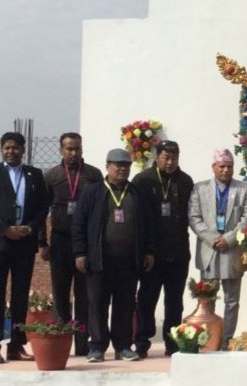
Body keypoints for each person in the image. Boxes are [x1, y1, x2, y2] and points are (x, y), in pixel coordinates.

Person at [72, 148, 155, 363]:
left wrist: (148, 252)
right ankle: (97, 346)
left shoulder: (136, 193)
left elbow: (147, 226)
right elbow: (79, 223)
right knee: (97, 303)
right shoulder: (93, 191)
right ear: (107, 166)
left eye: (126, 165)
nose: (122, 169)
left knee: (125, 304)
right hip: (99, 259)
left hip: (128, 260)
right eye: (117, 165)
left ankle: (123, 346)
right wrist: (80, 252)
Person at [0, 132, 49, 364]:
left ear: (23, 149)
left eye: (15, 148)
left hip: (24, 243)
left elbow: (42, 206)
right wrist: (4, 229)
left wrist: (29, 228)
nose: (11, 151)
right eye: (7, 148)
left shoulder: (34, 174)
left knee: (20, 295)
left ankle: (16, 345)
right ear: (1, 150)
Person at [40, 132, 102, 357]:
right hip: (60, 241)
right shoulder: (52, 175)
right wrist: (42, 242)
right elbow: (41, 211)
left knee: (84, 295)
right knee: (60, 293)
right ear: (61, 150)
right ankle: (61, 342)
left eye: (77, 148)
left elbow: (100, 210)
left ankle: (83, 344)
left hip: (86, 244)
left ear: (82, 149)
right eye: (68, 148)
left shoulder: (93, 175)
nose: (73, 152)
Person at [188, 148, 247, 350]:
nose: (226, 170)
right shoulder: (199, 189)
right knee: (207, 299)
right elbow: (194, 217)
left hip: (232, 250)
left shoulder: (245, 189)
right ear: (213, 167)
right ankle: (209, 340)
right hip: (209, 250)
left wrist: (229, 238)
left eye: (229, 166)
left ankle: (226, 341)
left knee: (232, 300)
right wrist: (212, 238)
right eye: (222, 166)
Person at [133, 140, 194, 358]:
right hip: (152, 254)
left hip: (177, 252)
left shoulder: (185, 181)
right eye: (166, 158)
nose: (170, 162)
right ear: (156, 157)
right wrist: (145, 251)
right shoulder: (142, 180)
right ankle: (141, 341)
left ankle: (172, 343)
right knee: (147, 299)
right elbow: (138, 219)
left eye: (174, 158)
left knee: (174, 301)